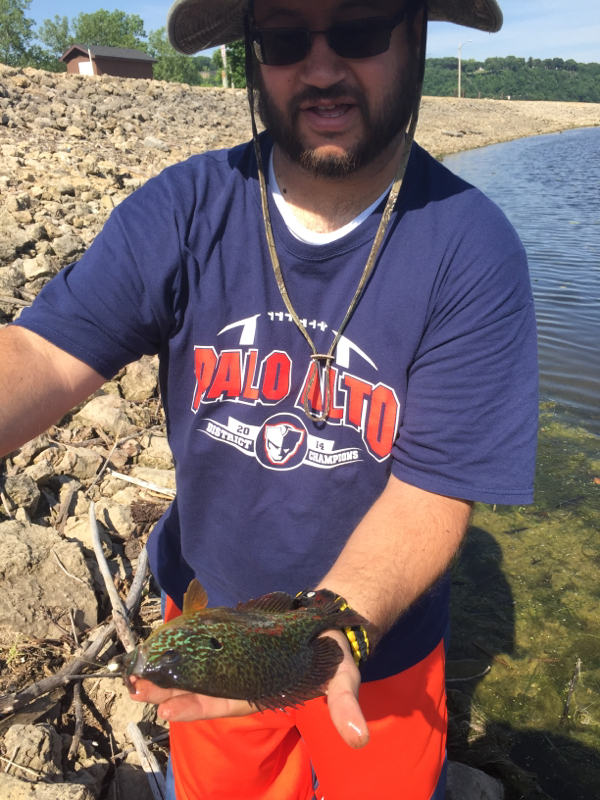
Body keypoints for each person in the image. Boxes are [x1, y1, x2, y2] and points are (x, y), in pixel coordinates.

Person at [0, 0, 538, 797]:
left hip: (375, 654)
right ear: (253, 53)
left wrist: (337, 636)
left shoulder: (470, 246)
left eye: (357, 30)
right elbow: (41, 352)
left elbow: (434, 488)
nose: (320, 69)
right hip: (209, 640)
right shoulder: (186, 208)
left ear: (415, 34)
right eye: (286, 37)